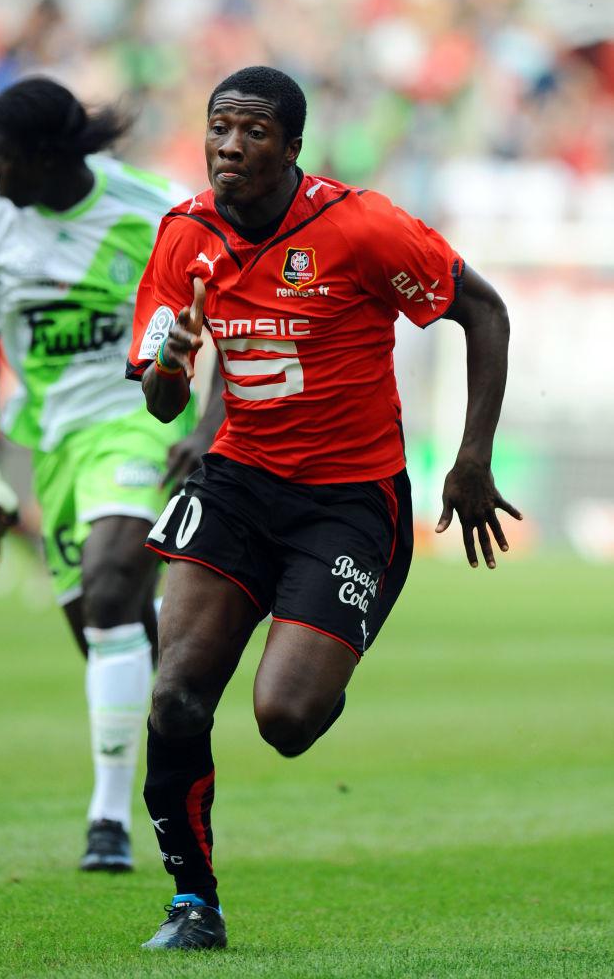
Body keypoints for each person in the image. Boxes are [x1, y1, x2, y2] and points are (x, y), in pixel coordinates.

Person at [126, 65, 522, 950]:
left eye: (253, 132)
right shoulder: (182, 235)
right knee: (176, 697)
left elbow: (484, 312)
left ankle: (315, 669)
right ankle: (192, 904)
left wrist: (471, 457)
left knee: (286, 722)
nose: (230, 146)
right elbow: (158, 398)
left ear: (292, 147)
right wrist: (170, 367)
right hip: (236, 483)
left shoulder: (361, 227)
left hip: (348, 501)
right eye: (219, 128)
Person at [0, 76, 223, 872]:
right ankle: (182, 631)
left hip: (137, 417)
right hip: (51, 439)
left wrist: (205, 424)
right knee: (106, 629)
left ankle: (108, 820)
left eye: (3, 157)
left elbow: (226, 310)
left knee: (107, 590)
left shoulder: (153, 209)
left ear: (46, 157)